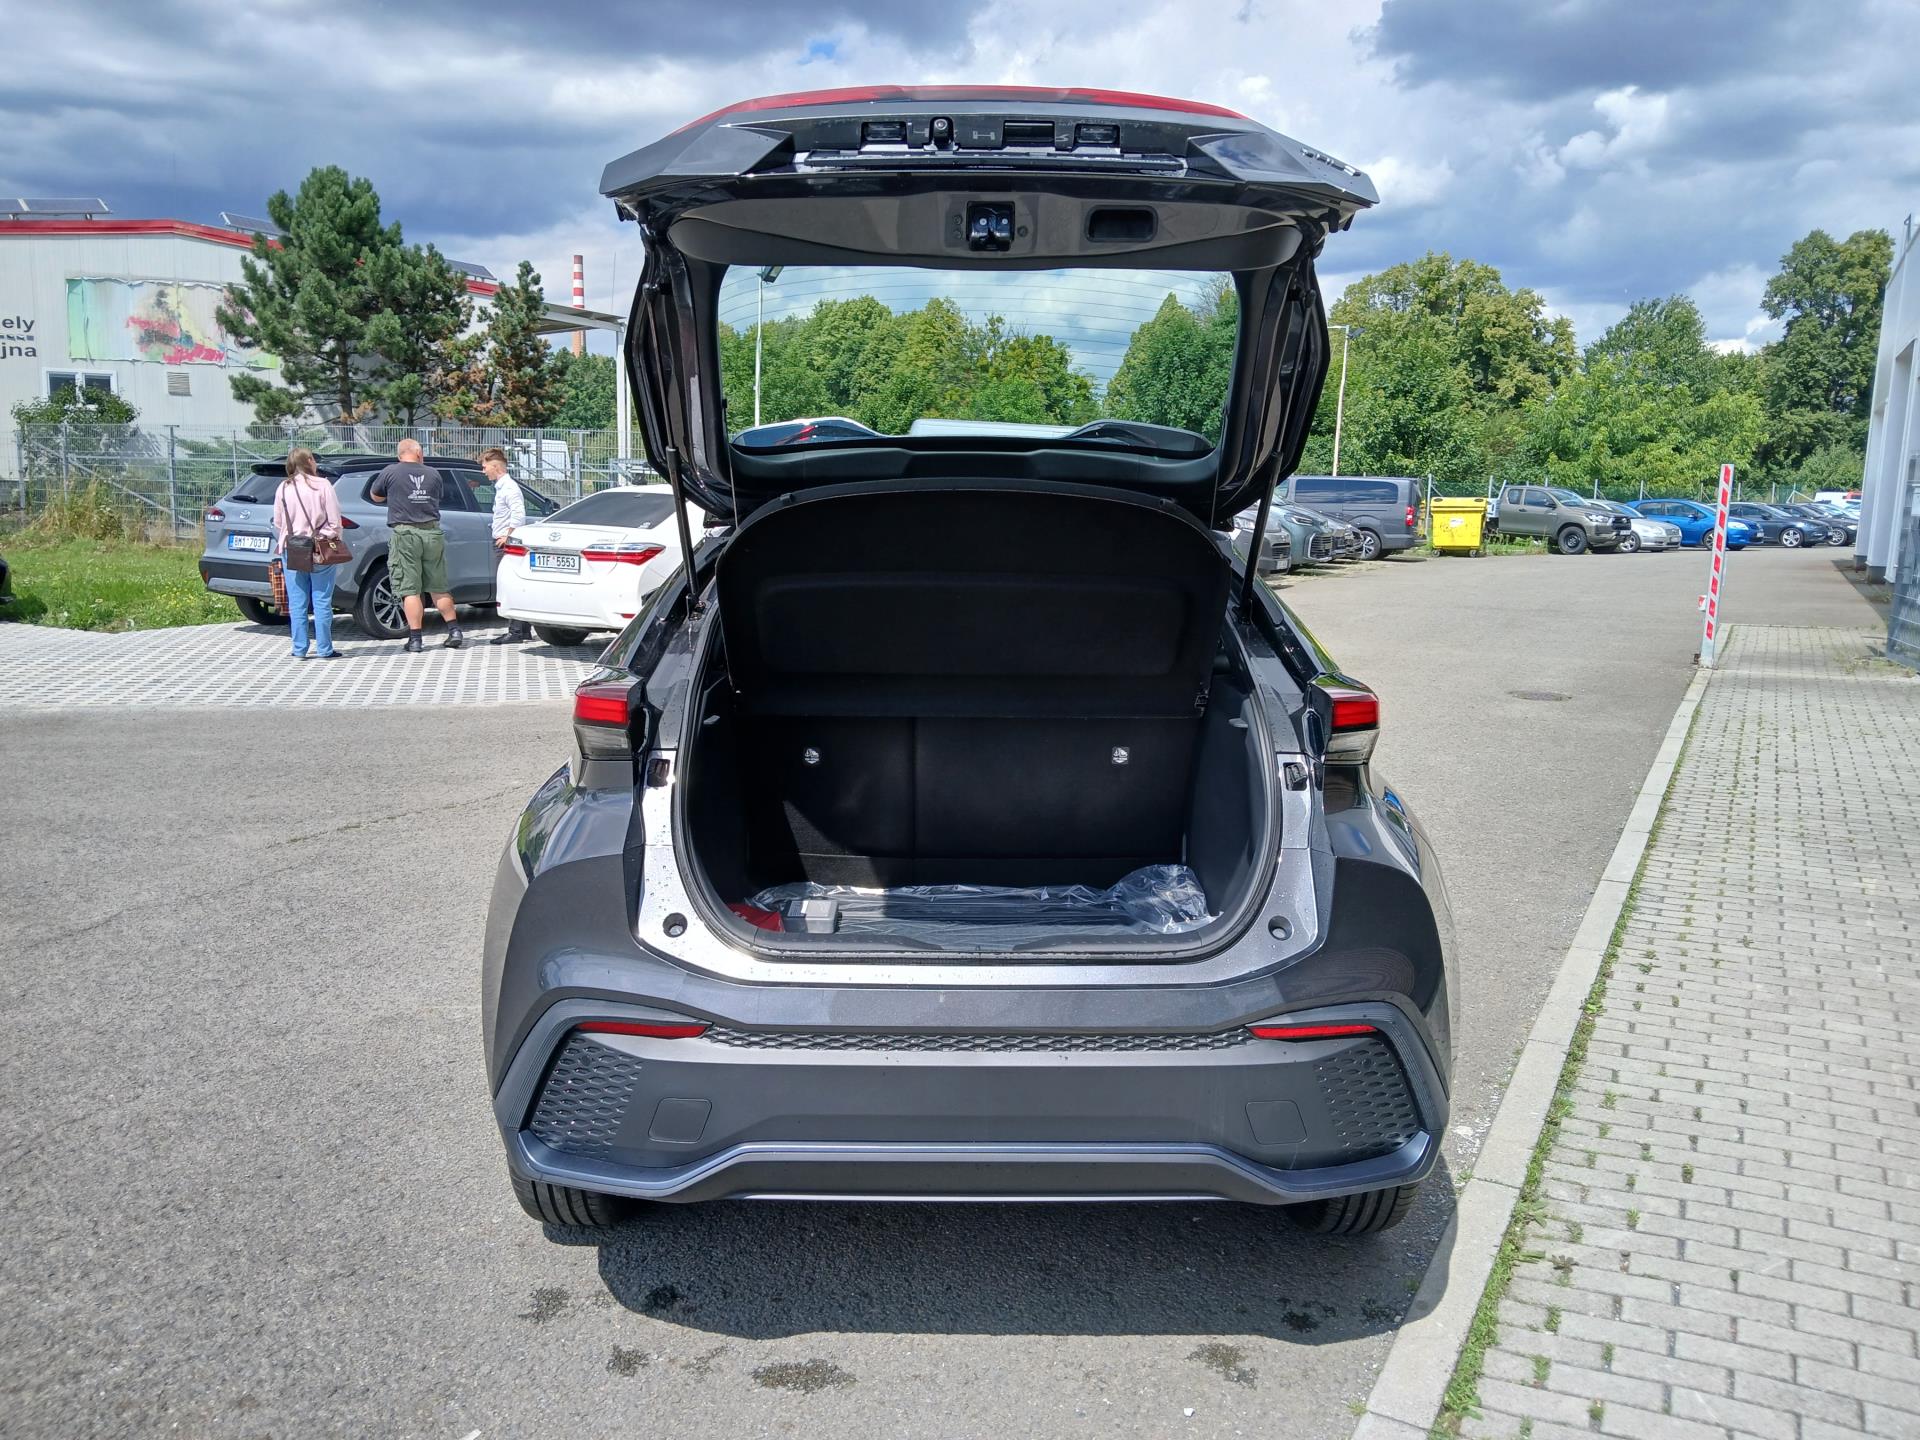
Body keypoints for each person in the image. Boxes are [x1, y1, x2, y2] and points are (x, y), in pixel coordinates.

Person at [369, 438, 462, 652]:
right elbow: (438, 496)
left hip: (405, 534)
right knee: (438, 587)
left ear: (399, 454)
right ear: (419, 453)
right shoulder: (433, 473)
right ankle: (454, 630)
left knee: (410, 589)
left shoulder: (390, 471)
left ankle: (416, 639)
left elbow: (375, 496)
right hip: (432, 533)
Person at [273, 448, 345, 660]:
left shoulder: (283, 487)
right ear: (310, 461)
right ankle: (325, 649)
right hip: (318, 547)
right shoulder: (323, 485)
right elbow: (335, 521)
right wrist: (331, 538)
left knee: (297, 601)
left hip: (292, 548)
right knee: (322, 600)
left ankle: (299, 649)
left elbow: (278, 521)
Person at [482, 446, 531, 644]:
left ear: (496, 467)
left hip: (506, 544)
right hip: (503, 541)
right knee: (513, 584)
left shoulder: (509, 487)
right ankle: (523, 629)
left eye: (485, 467)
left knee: (508, 585)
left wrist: (508, 536)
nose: (483, 471)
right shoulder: (501, 487)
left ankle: (515, 631)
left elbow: (518, 514)